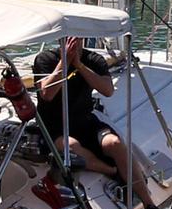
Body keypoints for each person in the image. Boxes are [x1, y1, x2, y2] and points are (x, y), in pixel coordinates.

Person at [31, 36, 142, 193]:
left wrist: (79, 65)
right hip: (54, 125)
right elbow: (47, 93)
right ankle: (111, 170)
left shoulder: (93, 59)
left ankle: (148, 203)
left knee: (114, 143)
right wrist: (65, 62)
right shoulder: (46, 59)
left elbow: (108, 90)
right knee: (71, 146)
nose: (72, 41)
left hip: (85, 121)